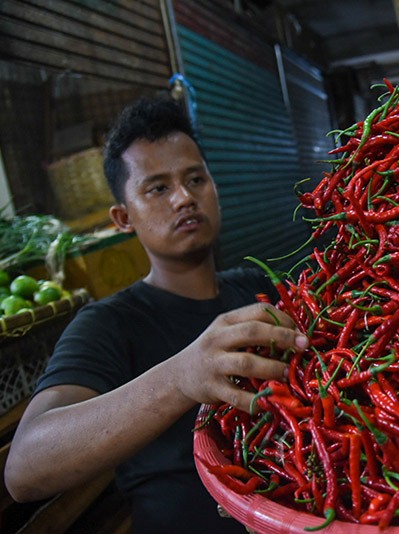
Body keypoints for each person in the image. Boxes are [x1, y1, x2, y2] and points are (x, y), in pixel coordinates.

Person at [3, 95, 308, 533]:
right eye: (158, 188)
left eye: (196, 179)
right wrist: (181, 376)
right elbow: (24, 469)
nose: (185, 197)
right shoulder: (107, 323)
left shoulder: (259, 290)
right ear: (123, 217)